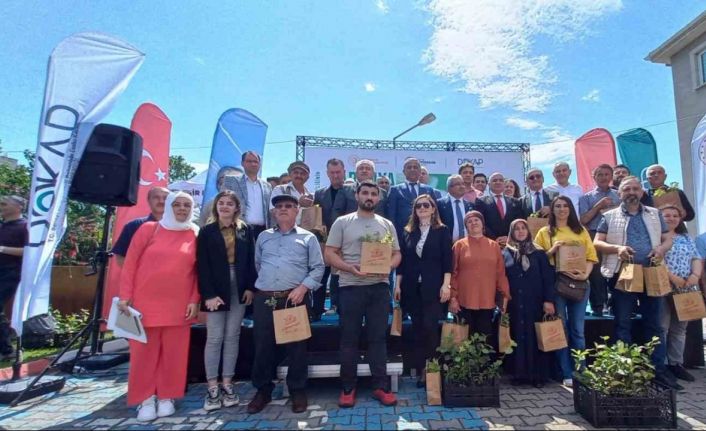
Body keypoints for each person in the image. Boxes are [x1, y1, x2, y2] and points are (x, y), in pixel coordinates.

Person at [118, 191, 200, 422]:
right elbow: (130, 264)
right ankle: (145, 399)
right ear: (170, 206)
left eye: (187, 205)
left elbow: (198, 272)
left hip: (179, 305)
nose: (182, 209)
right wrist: (125, 296)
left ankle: (167, 397)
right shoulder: (149, 229)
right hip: (144, 304)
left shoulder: (195, 233)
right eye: (177, 204)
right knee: (143, 355)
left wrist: (194, 299)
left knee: (174, 354)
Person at [593, 176, 678, 390]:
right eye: (627, 189)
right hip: (623, 273)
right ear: (620, 193)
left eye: (635, 188)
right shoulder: (609, 216)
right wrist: (618, 249)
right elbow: (597, 242)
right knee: (623, 323)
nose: (631, 192)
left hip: (651, 273)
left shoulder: (655, 214)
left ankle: (657, 372)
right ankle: (626, 371)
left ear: (641, 192)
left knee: (655, 324)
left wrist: (661, 249)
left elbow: (668, 238)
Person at [325, 181, 401, 408]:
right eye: (365, 193)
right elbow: (330, 254)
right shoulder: (342, 222)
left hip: (379, 288)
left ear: (379, 198)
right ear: (357, 195)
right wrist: (349, 268)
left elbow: (397, 253)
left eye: (373, 194)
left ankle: (380, 387)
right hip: (350, 287)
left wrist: (388, 266)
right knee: (349, 339)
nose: (369, 197)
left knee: (378, 338)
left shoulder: (386, 224)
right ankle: (348, 388)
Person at [247, 194, 325, 414]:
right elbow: (258, 264)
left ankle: (297, 390)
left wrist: (303, 288)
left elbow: (318, 267)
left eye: (289, 206)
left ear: (297, 211)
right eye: (279, 206)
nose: (283, 209)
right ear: (273, 212)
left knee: (297, 347)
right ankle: (263, 390)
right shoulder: (263, 237)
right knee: (263, 346)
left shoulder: (308, 237)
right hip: (265, 298)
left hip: (294, 298)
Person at [197, 191, 256, 411]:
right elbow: (202, 265)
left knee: (233, 336)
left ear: (236, 208)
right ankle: (212, 387)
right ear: (216, 207)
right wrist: (208, 295)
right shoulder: (206, 231)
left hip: (239, 287)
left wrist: (250, 287)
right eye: (221, 203)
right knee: (214, 337)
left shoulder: (245, 229)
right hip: (215, 288)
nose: (224, 206)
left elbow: (251, 261)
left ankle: (228, 383)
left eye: (229, 203)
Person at [534, 196, 597, 387]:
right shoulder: (545, 232)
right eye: (558, 206)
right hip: (557, 284)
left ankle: (581, 370)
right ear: (552, 210)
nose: (562, 209)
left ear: (570, 209)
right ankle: (566, 372)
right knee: (560, 329)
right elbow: (538, 260)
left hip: (580, 283)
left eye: (565, 206)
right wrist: (552, 250)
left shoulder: (581, 230)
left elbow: (591, 256)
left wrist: (584, 275)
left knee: (578, 329)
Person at [393, 195, 452, 387]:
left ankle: (432, 370)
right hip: (412, 288)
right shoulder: (408, 231)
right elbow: (403, 262)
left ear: (433, 209)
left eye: (427, 205)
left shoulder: (442, 230)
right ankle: (420, 370)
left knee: (430, 328)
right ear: (415, 210)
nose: (422, 208)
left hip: (433, 287)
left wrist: (446, 285)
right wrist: (397, 284)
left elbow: (447, 261)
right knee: (417, 329)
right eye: (418, 205)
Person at [503, 219, 555, 388]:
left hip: (535, 302)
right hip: (515, 303)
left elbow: (548, 278)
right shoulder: (506, 253)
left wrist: (548, 300)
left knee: (535, 336)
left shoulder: (538, 253)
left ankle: (538, 376)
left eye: (523, 228)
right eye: (516, 229)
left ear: (528, 231)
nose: (520, 231)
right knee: (517, 336)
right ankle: (519, 375)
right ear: (511, 233)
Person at [449, 210, 511, 339]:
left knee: (485, 340)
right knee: (464, 340)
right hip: (463, 301)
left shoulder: (494, 246)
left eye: (476, 220)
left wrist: (504, 297)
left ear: (483, 224)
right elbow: (453, 273)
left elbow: (500, 273)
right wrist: (453, 298)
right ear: (466, 227)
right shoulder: (459, 245)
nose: (473, 223)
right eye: (469, 222)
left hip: (487, 300)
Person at [661, 205, 702, 383]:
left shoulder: (686, 237)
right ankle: (661, 365)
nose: (671, 218)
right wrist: (672, 277)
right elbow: (656, 260)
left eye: (675, 215)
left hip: (686, 288)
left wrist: (695, 275)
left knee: (679, 329)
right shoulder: (657, 237)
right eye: (667, 215)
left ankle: (676, 364)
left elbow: (696, 257)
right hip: (664, 288)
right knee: (662, 327)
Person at [578, 164, 620, 316]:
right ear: (594, 177)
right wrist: (598, 206)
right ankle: (598, 307)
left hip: (615, 235)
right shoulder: (586, 198)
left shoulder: (619, 195)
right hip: (594, 235)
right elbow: (583, 220)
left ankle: (616, 306)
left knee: (617, 270)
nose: (603, 177)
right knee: (596, 273)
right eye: (600, 174)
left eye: (607, 174)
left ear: (611, 176)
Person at [313, 158, 347, 318]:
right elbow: (316, 217)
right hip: (324, 241)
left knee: (341, 276)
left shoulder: (354, 191)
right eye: (332, 172)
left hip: (346, 241)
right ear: (327, 173)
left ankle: (340, 307)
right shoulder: (319, 193)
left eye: (338, 172)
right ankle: (317, 310)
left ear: (344, 172)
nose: (335, 175)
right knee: (321, 274)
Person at [112, 187, 169, 266]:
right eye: (156, 197)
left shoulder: (179, 228)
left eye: (165, 198)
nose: (161, 201)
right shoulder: (133, 226)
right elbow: (120, 257)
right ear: (149, 201)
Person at [0, 195, 27, 357]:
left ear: (19, 207)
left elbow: (29, 251)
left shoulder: (25, 226)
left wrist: (2, 249)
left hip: (11, 272)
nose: (1, 206)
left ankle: (8, 350)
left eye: (4, 203)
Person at [227, 151, 272, 239]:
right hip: (238, 228)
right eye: (249, 161)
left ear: (259, 164)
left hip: (262, 231)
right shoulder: (231, 181)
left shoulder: (267, 186)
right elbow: (223, 202)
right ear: (242, 163)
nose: (253, 164)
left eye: (255, 162)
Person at [387, 157, 436, 237]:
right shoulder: (394, 190)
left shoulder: (429, 190)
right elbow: (391, 215)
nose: (412, 169)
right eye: (409, 167)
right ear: (404, 171)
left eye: (415, 167)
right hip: (402, 234)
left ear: (420, 171)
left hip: (425, 233)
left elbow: (435, 213)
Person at [474, 172, 523, 245]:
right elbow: (480, 222)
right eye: (494, 180)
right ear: (489, 184)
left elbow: (519, 221)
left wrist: (509, 237)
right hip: (489, 243)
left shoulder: (515, 202)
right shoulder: (480, 201)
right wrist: (494, 239)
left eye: (501, 180)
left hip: (511, 243)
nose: (498, 182)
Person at [270, 161, 314, 226]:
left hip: (304, 231)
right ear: (290, 175)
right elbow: (273, 212)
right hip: (284, 230)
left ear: (307, 177)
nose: (299, 175)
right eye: (296, 172)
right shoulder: (280, 189)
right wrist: (299, 204)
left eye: (302, 173)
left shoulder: (310, 194)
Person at [437, 175, 474, 243]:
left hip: (467, 245)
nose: (462, 186)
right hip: (446, 245)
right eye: (458, 184)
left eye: (463, 184)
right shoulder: (439, 204)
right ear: (449, 188)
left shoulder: (470, 205)